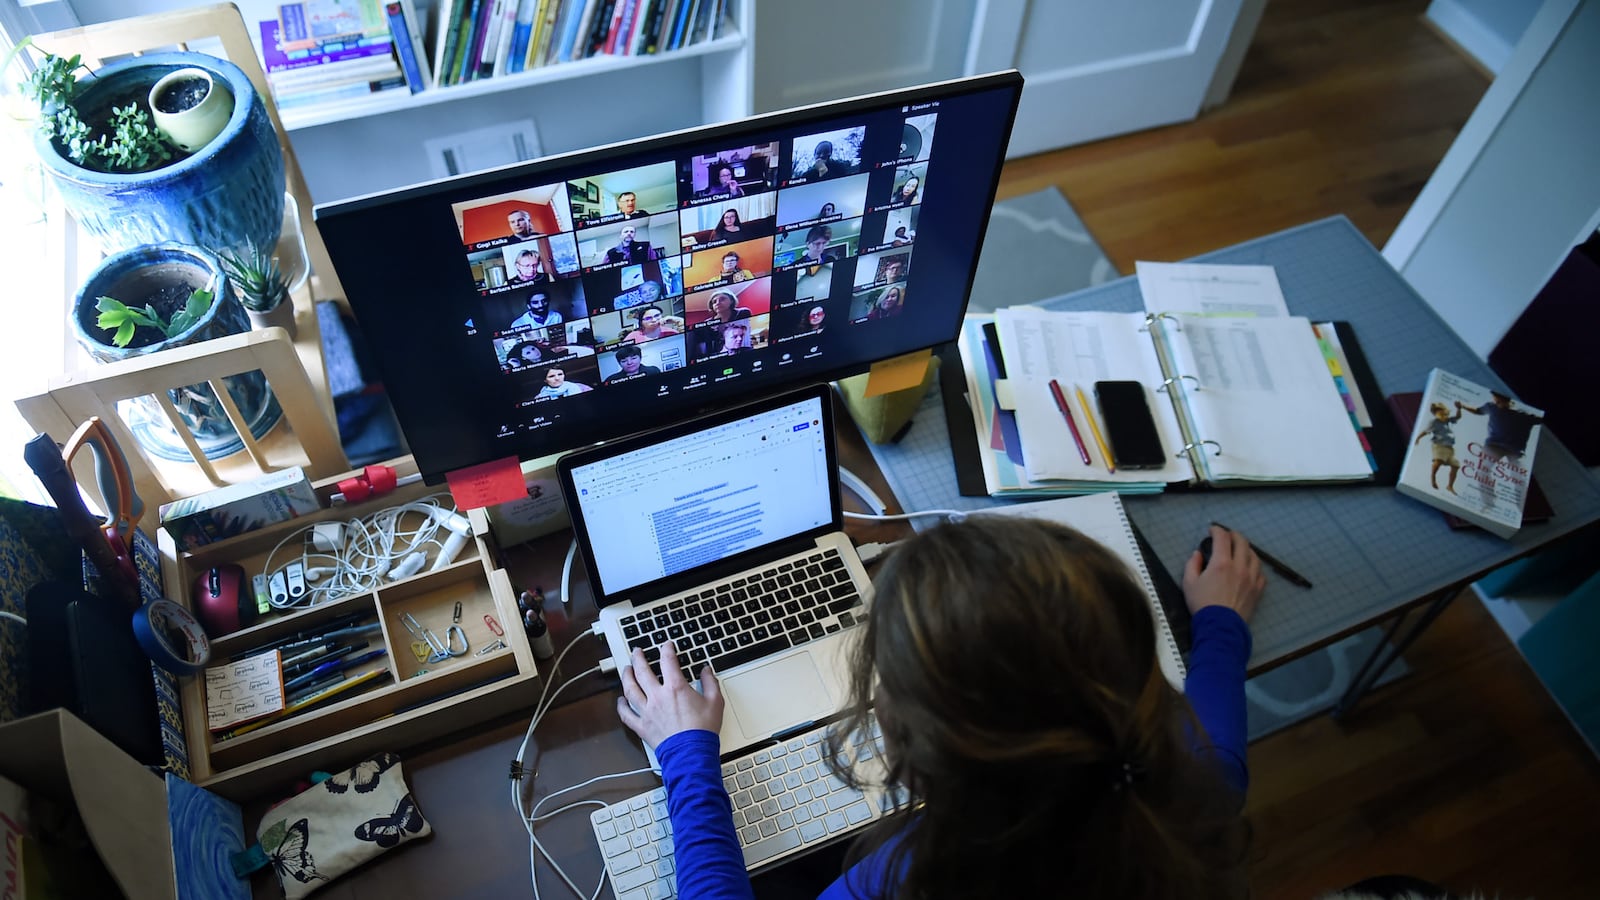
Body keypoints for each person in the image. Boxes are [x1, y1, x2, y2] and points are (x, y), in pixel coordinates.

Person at [616, 519, 1261, 899]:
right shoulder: (1188, 790)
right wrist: (1220, 622)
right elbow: (1221, 753)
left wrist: (686, 754)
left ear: (919, 751)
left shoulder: (908, 879)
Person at [1456, 391, 1543, 465]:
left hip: (1515, 450)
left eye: (1499, 402)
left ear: (1508, 401)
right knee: (1483, 470)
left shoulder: (1524, 415)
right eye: (1495, 401)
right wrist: (1463, 406)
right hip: (1494, 445)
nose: (1496, 404)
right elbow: (1478, 411)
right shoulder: (1492, 407)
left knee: (1519, 474)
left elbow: (1541, 420)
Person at [1414, 401, 1462, 494]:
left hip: (1449, 448)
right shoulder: (1434, 422)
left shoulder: (1447, 420)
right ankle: (1433, 478)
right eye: (1438, 412)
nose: (1441, 414)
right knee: (1438, 461)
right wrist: (1418, 438)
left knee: (1455, 465)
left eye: (1442, 411)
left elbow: (1458, 417)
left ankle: (1450, 486)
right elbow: (1425, 431)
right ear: (1436, 413)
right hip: (1439, 445)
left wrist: (1459, 409)